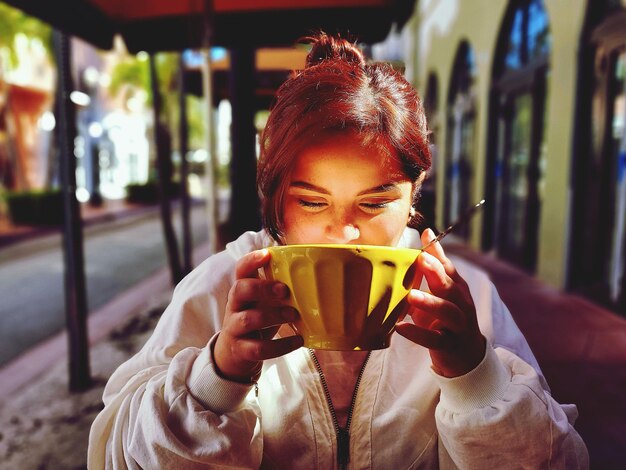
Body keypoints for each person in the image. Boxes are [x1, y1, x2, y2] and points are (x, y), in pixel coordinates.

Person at [88, 33, 588, 469]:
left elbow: (557, 460)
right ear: (275, 196)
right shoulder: (221, 285)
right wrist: (217, 377)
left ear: (415, 195)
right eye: (311, 201)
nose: (344, 233)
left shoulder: (465, 297)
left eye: (375, 202)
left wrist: (474, 373)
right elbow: (118, 453)